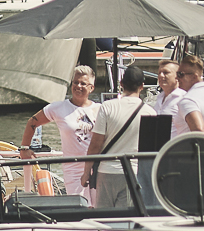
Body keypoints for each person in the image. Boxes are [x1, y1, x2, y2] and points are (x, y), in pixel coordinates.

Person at [20, 65, 98, 198]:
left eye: (83, 83)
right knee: (79, 208)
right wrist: (24, 148)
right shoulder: (58, 108)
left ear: (91, 88)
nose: (78, 86)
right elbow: (32, 122)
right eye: (75, 82)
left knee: (99, 209)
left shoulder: (100, 109)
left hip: (96, 168)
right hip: (73, 170)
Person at [88, 65, 151, 206]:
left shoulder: (107, 107)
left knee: (103, 221)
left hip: (107, 171)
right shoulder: (150, 112)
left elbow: (96, 144)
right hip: (133, 172)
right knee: (124, 221)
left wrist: (87, 171)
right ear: (142, 86)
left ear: (121, 84)